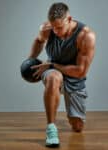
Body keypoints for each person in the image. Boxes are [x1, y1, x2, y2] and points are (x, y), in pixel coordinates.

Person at [28, 2, 96, 147]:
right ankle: (51, 128)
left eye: (59, 27)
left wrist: (52, 65)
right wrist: (30, 61)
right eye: (53, 27)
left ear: (69, 19)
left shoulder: (86, 36)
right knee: (54, 77)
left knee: (77, 127)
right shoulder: (47, 29)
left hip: (74, 76)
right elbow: (38, 41)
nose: (56, 31)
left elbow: (80, 71)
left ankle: (72, 115)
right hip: (52, 70)